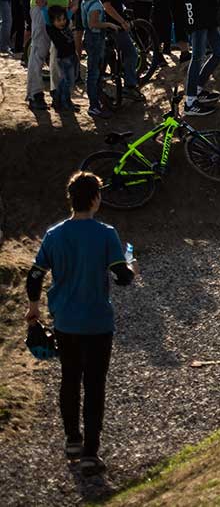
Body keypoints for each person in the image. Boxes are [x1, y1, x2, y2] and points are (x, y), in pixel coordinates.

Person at [25, 170, 136, 477]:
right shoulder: (106, 234)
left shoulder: (54, 235)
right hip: (98, 323)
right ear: (96, 199)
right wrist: (132, 266)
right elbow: (122, 277)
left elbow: (34, 275)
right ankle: (90, 454)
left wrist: (34, 307)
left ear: (70, 199)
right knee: (95, 386)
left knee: (69, 381)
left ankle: (72, 441)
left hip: (66, 322)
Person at [78, 0, 129, 118]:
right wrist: (109, 25)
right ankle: (94, 106)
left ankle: (99, 101)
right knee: (93, 73)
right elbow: (93, 24)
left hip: (90, 38)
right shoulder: (95, 4)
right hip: (94, 39)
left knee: (96, 71)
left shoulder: (86, 1)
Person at [44, 6, 79, 111]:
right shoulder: (52, 29)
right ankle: (65, 103)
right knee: (65, 82)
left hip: (71, 57)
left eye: (63, 19)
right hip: (63, 59)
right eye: (58, 20)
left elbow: (69, 14)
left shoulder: (66, 26)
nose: (62, 22)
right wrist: (43, 8)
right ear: (52, 21)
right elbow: (46, 17)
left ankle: (58, 101)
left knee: (69, 82)